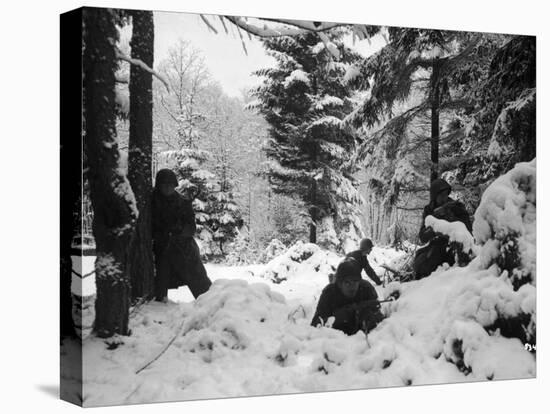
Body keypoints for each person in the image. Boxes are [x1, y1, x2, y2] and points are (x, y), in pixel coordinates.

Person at [152, 169, 212, 302]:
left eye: (170, 184)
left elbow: (191, 228)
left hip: (183, 249)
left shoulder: (182, 203)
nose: (167, 187)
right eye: (164, 184)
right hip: (159, 250)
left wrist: (179, 230)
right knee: (159, 284)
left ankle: (210, 303)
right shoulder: (151, 202)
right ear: (159, 185)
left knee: (200, 282)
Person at [413, 178, 472, 279]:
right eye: (441, 195)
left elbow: (468, 230)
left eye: (445, 194)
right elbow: (423, 236)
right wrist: (435, 226)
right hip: (436, 245)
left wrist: (451, 218)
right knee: (420, 263)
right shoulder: (429, 210)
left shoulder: (456, 207)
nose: (444, 198)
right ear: (435, 196)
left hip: (454, 245)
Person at [311, 258, 384, 335]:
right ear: (339, 284)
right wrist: (340, 317)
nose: (352, 287)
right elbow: (315, 325)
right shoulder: (329, 293)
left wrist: (369, 317)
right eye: (347, 283)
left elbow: (380, 317)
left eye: (355, 281)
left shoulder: (366, 288)